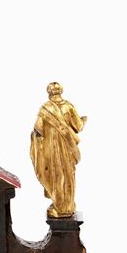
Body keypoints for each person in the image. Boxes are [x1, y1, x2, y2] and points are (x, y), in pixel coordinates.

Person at [30, 82, 87, 217]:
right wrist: (83, 120)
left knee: (55, 174)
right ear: (61, 92)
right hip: (67, 148)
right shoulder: (68, 106)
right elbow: (78, 126)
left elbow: (38, 129)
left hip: (51, 149)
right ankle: (67, 206)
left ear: (49, 93)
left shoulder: (45, 109)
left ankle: (60, 206)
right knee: (68, 174)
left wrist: (37, 145)